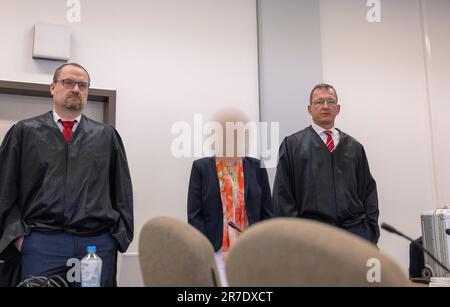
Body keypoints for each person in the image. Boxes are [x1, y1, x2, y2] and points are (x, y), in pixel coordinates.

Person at [0, 63, 133, 286]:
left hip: (97, 244)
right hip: (41, 243)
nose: (76, 89)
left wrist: (115, 238)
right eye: (68, 82)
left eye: (82, 85)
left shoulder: (106, 136)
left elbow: (122, 192)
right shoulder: (24, 132)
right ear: (53, 87)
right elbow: (4, 189)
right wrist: (18, 238)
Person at [273, 84, 379, 244]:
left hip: (354, 234)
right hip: (310, 235)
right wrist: (295, 236)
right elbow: (283, 196)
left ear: (338, 108)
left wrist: (370, 231)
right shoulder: (292, 145)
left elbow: (368, 192)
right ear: (309, 109)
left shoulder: (355, 147)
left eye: (330, 101)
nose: (325, 106)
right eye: (319, 102)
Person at [187, 109, 273, 286]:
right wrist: (205, 249)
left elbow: (268, 212)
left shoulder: (257, 166)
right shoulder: (201, 168)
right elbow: (194, 215)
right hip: (215, 250)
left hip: (250, 248)